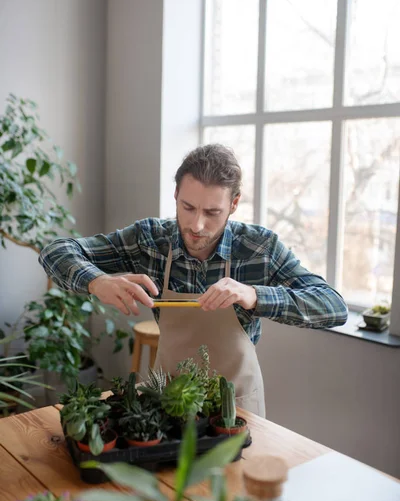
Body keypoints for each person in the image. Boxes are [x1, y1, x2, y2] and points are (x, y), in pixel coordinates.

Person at [39, 144, 348, 417]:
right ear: (176, 195)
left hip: (236, 409)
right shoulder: (149, 240)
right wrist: (98, 282)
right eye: (187, 207)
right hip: (168, 401)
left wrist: (254, 295)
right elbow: (55, 251)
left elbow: (333, 306)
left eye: (212, 212)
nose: (197, 225)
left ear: (234, 204)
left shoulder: (260, 248)